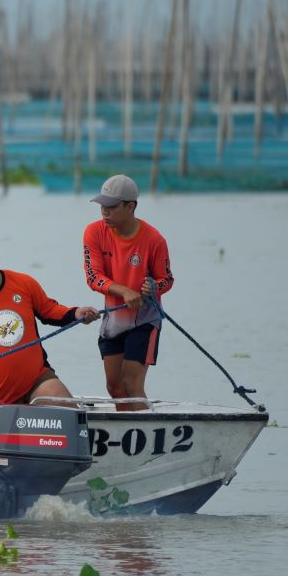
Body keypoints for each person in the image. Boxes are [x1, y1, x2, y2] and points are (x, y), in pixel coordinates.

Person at [0, 236, 100, 405]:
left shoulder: (23, 283)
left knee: (67, 409)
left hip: (37, 380)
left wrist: (76, 313)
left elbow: (49, 311)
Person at [84, 174, 175, 410]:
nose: (105, 212)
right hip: (114, 320)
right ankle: (127, 429)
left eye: (112, 207)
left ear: (130, 206)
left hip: (144, 320)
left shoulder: (154, 240)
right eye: (102, 206)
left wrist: (153, 288)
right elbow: (93, 277)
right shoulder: (94, 232)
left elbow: (167, 280)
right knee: (114, 387)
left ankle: (143, 429)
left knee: (131, 384)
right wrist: (124, 291)